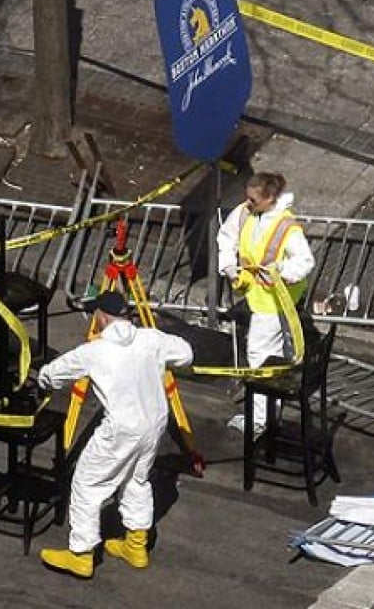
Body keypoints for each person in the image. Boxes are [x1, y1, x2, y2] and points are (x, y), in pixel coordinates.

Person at [36, 290, 194, 579]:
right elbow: (185, 353)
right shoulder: (150, 338)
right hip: (154, 423)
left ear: (102, 316)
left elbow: (53, 374)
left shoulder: (95, 351)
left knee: (86, 483)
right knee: (137, 479)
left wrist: (41, 380)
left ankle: (81, 554)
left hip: (122, 427)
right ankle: (136, 545)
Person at [217, 171, 315, 436]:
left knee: (260, 358)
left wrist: (280, 269)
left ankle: (260, 419)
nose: (247, 203)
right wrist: (228, 266)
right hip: (260, 297)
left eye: (253, 200)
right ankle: (271, 408)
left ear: (270, 198)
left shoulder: (286, 227)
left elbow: (304, 262)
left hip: (274, 301)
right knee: (274, 355)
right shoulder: (245, 212)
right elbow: (227, 237)